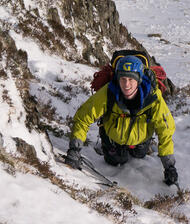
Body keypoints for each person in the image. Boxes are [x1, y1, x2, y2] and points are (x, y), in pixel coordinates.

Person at [65, 55, 178, 185]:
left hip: (141, 140)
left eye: (131, 79)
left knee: (139, 155)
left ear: (139, 80)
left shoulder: (152, 97)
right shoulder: (109, 92)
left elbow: (166, 130)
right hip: (113, 140)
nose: (126, 84)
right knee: (115, 160)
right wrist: (75, 149)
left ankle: (140, 147)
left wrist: (169, 166)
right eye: (123, 79)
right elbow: (83, 117)